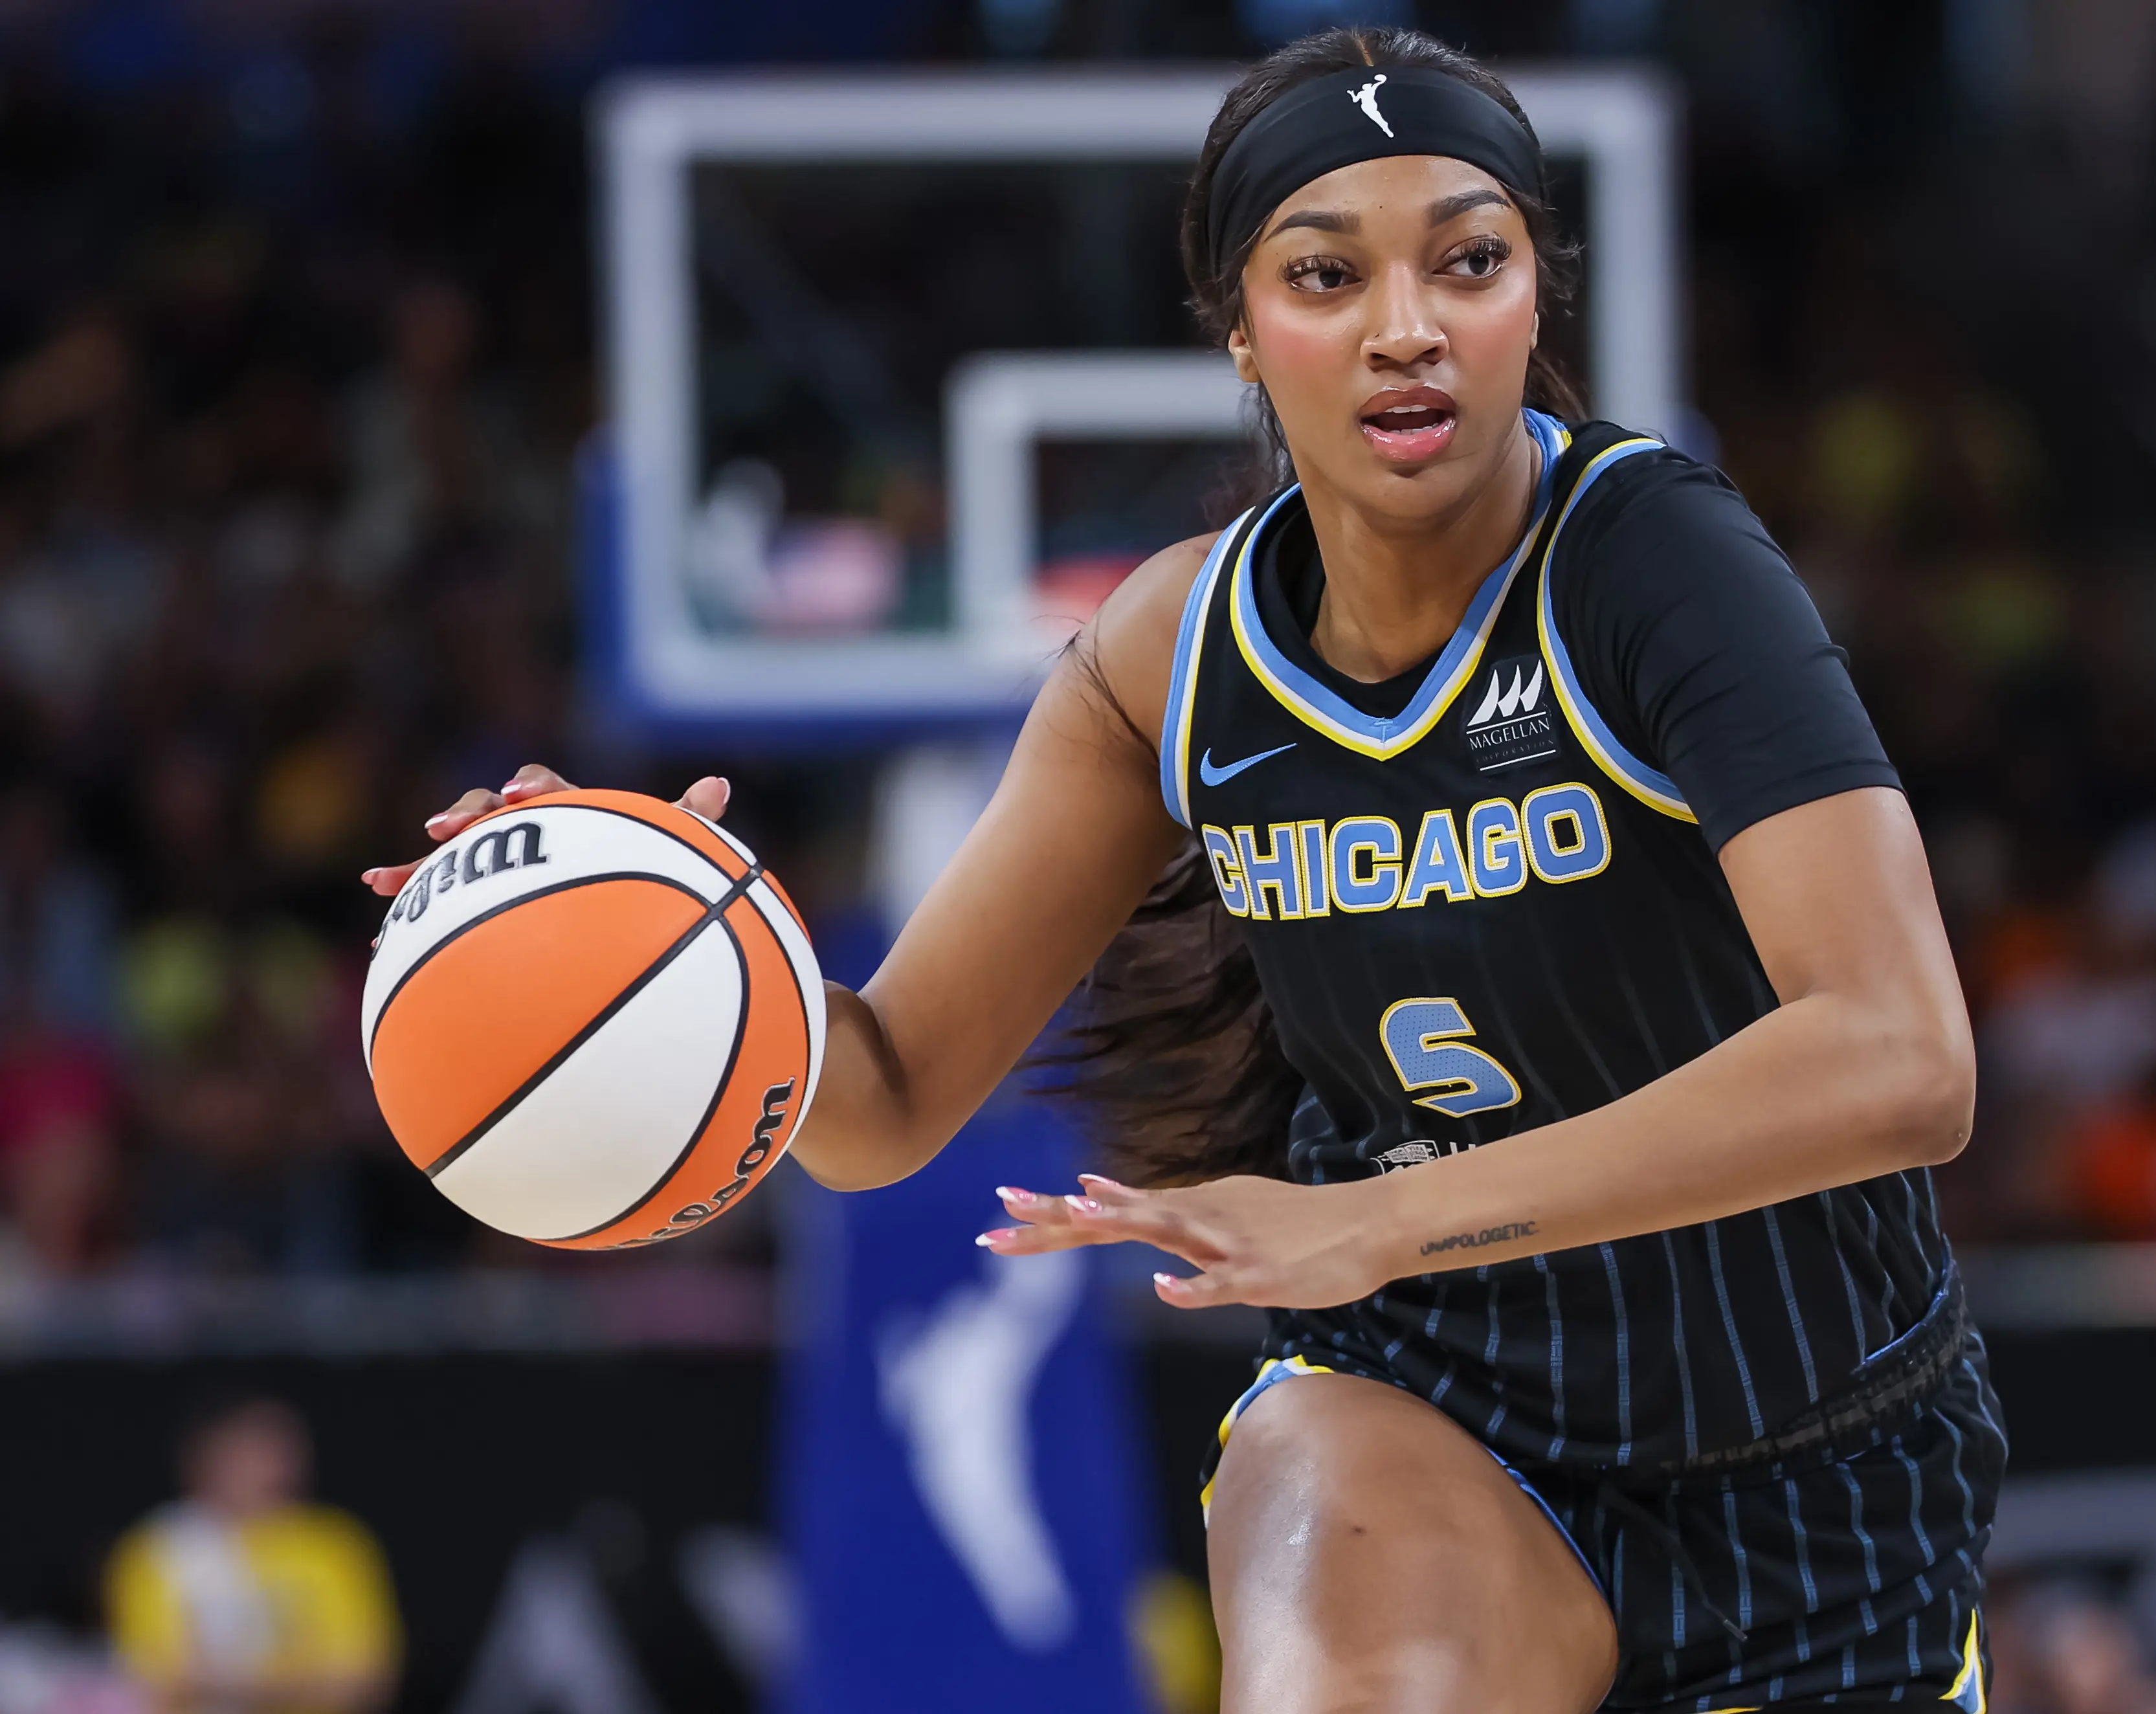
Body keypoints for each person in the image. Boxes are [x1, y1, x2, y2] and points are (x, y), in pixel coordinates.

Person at [370, 27, 2002, 1713]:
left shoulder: (1647, 560)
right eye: (1323, 273)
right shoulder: (1167, 656)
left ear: (1535, 295)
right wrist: (682, 947)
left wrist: (1377, 1220)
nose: (1403, 325)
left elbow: (1897, 1058)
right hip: (1436, 1412)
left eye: (1468, 259)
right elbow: (883, 1101)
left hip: (1820, 1450)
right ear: (1239, 326)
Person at [104, 1397, 400, 1714]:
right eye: (251, 1453)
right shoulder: (159, 1548)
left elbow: (368, 1680)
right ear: (205, 1459)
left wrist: (225, 1680)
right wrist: (307, 1677)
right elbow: (155, 1682)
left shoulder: (334, 1542)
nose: (274, 1468)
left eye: (283, 1452)